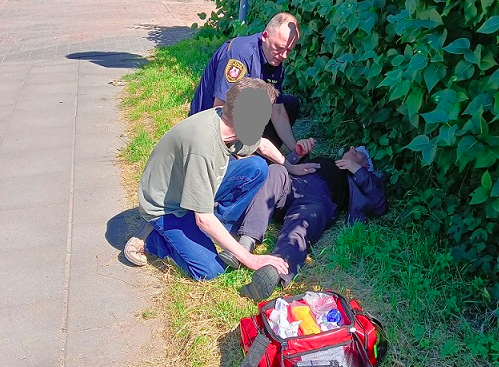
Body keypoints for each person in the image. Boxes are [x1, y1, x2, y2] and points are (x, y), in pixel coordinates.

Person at [123, 77, 318, 281]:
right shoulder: (203, 145)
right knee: (211, 270)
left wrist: (291, 167)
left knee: (257, 167)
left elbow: (263, 145)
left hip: (188, 186)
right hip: (167, 206)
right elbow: (204, 218)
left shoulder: (230, 124)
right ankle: (153, 238)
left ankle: (209, 231)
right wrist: (251, 259)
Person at [219, 146, 388, 300]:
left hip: (318, 200)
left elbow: (379, 203)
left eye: (359, 152)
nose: (352, 148)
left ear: (366, 166)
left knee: (301, 225)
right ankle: (245, 243)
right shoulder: (325, 159)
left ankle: (275, 270)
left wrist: (356, 170)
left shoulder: (362, 177)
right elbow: (286, 164)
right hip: (293, 183)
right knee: (276, 170)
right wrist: (297, 153)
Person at [189, 12, 314, 154]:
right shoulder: (239, 56)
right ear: (265, 36)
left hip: (243, 117)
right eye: (279, 48)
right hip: (212, 126)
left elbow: (277, 111)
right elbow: (220, 110)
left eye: (288, 50)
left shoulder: (275, 58)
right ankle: (252, 158)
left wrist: (296, 150)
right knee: (255, 166)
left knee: (289, 104)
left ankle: (264, 157)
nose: (284, 56)